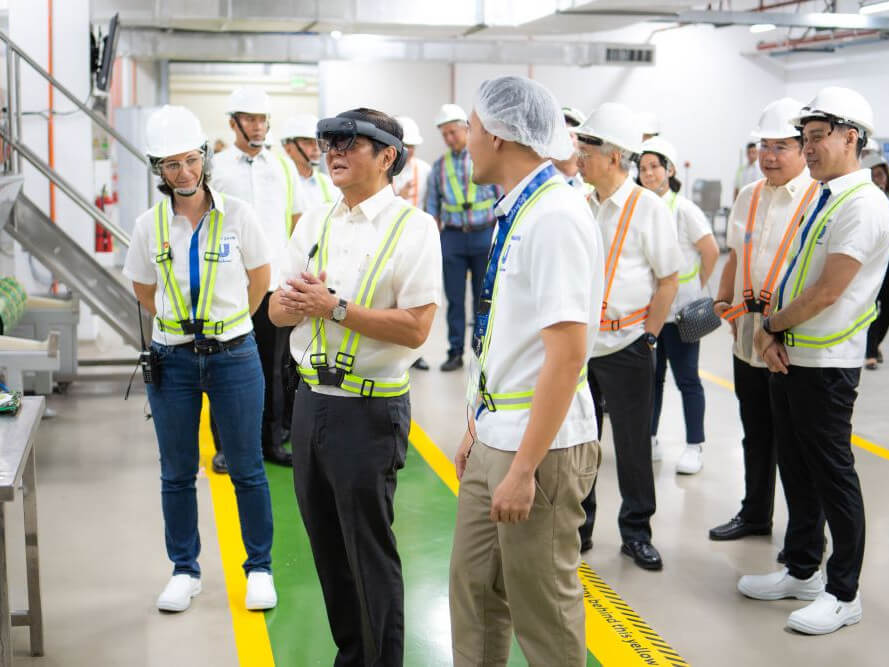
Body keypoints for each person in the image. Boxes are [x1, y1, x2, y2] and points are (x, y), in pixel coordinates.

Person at [269, 108, 441, 664]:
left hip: (369, 412)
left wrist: (334, 307)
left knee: (368, 553)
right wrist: (293, 305)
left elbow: (416, 328)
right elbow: (274, 312)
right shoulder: (314, 222)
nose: (334, 153)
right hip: (310, 404)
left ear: (387, 156)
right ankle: (352, 656)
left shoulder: (414, 228)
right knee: (327, 549)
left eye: (350, 143)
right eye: (329, 143)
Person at [449, 75, 602, 667]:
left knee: (543, 612)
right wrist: (477, 424)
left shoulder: (554, 217)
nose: (466, 142)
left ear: (499, 135)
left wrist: (523, 468)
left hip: (540, 449)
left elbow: (566, 356)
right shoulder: (519, 210)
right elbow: (508, 338)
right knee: (475, 591)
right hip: (496, 432)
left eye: (472, 128)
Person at [739, 87, 889, 635]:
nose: (807, 148)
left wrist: (770, 327)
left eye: (817, 137)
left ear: (852, 138)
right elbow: (792, 273)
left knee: (832, 475)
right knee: (796, 468)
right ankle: (802, 569)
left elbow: (828, 290)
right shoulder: (823, 196)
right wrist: (772, 334)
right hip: (791, 355)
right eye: (804, 138)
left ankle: (843, 593)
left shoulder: (864, 205)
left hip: (826, 364)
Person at [123, 105, 277, 613]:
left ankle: (259, 568)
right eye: (171, 164)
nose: (184, 172)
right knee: (177, 472)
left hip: (234, 356)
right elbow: (144, 288)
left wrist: (228, 323)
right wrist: (178, 327)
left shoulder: (238, 216)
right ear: (159, 170)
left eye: (190, 160)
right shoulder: (148, 225)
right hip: (172, 361)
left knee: (247, 468)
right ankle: (184, 571)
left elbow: (260, 280)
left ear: (204, 158)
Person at [575, 103, 681, 570]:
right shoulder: (580, 203)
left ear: (614, 156)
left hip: (627, 345)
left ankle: (637, 532)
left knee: (633, 446)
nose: (579, 159)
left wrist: (649, 338)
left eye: (587, 152)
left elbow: (668, 280)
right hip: (581, 346)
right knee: (581, 442)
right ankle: (579, 528)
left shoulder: (648, 208)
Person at [708, 97, 818, 544]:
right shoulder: (748, 196)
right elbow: (738, 254)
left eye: (781, 146)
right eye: (763, 146)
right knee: (755, 431)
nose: (769, 156)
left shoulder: (817, 198)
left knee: (797, 442)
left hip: (791, 338)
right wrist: (723, 298)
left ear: (803, 148)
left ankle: (806, 538)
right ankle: (755, 513)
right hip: (747, 332)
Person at [213, 86, 306, 468]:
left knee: (275, 366)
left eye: (262, 120)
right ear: (233, 123)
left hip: (272, 286)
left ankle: (271, 443)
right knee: (224, 367)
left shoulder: (282, 167)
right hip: (228, 288)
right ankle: (227, 447)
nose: (257, 126)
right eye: (249, 119)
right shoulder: (215, 168)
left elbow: (297, 221)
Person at [638, 137, 719, 473]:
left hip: (682, 313)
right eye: (642, 168)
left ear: (669, 170)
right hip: (651, 313)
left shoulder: (684, 209)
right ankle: (651, 438)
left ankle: (694, 446)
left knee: (687, 379)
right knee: (652, 379)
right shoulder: (641, 207)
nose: (648, 174)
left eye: (654, 167)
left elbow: (710, 251)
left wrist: (695, 288)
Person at [425, 103, 501, 372]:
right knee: (454, 300)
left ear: (466, 130)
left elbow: (500, 196)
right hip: (453, 238)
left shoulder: (485, 159)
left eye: (453, 132)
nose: (449, 138)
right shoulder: (439, 167)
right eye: (444, 134)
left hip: (484, 235)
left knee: (484, 298)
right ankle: (455, 351)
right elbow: (432, 207)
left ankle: (482, 352)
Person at [393, 115, 433, 371]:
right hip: (390, 243)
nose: (410, 151)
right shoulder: (384, 170)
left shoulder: (425, 170)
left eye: (413, 146)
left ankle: (415, 355)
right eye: (405, 146)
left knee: (417, 302)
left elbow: (431, 204)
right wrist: (399, 194)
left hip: (416, 243)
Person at [862, 151, 889, 369]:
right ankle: (869, 351)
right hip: (869, 263)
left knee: (886, 310)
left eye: (880, 175)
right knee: (870, 306)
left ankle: (875, 344)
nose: (878, 180)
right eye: (872, 176)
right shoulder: (863, 201)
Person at [280, 113, 340, 209]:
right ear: (288, 148)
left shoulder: (329, 184)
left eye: (319, 142)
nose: (316, 148)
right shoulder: (278, 183)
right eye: (308, 142)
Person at [553, 106, 592, 194]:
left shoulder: (590, 185)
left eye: (569, 135)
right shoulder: (537, 173)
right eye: (558, 134)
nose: (563, 141)